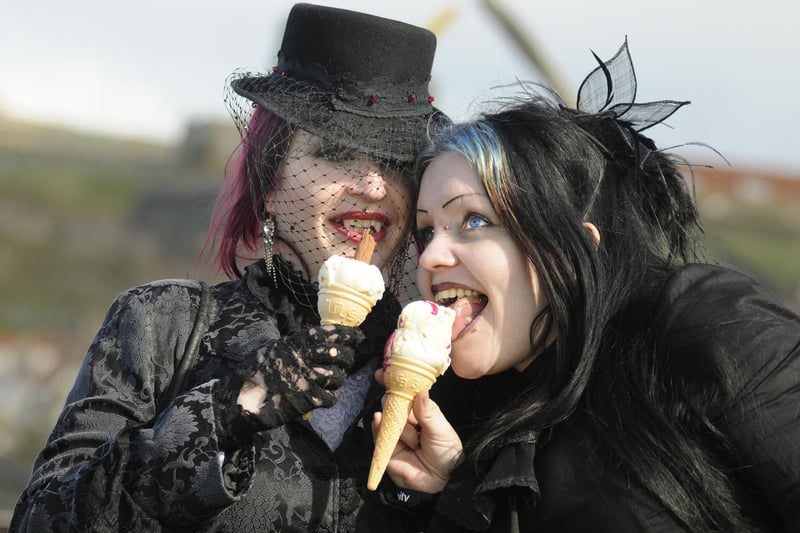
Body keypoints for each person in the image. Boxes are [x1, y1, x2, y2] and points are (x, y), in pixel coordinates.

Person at [11, 4, 448, 532]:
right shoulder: (162, 325)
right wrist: (230, 410)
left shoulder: (445, 363)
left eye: (396, 162)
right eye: (335, 152)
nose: (374, 187)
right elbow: (44, 519)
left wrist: (434, 498)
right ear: (269, 178)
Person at [373, 40, 800, 532]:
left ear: (571, 244)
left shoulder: (700, 325)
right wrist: (443, 489)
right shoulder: (468, 417)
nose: (430, 257)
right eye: (426, 230)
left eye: (473, 221)